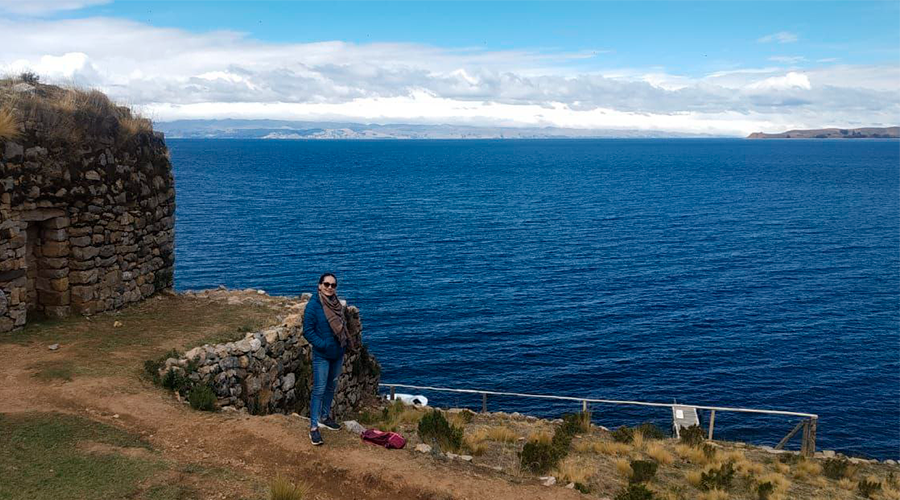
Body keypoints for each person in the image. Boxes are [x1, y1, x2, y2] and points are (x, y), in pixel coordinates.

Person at [303, 272, 352, 446]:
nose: (330, 288)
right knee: (319, 389)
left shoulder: (336, 304)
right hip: (322, 355)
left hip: (337, 354)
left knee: (331, 386)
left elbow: (343, 325)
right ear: (319, 285)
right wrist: (322, 344)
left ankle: (324, 417)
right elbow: (307, 331)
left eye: (333, 285)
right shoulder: (313, 306)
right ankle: (314, 428)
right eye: (326, 284)